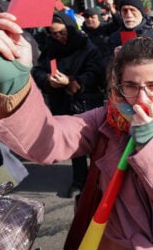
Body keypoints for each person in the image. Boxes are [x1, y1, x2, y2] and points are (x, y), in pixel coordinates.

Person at [0, 14, 153, 250]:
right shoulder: (105, 119)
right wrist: (15, 83)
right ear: (116, 85)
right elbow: (47, 141)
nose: (141, 98)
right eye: (130, 85)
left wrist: (149, 143)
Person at [31, 12, 106, 198]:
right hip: (62, 104)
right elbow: (38, 71)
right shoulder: (50, 50)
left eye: (62, 32)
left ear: (70, 28)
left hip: (86, 103)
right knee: (73, 146)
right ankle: (79, 181)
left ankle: (99, 180)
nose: (59, 37)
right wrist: (48, 80)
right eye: (54, 34)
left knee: (95, 145)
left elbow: (96, 73)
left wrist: (73, 82)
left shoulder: (87, 47)